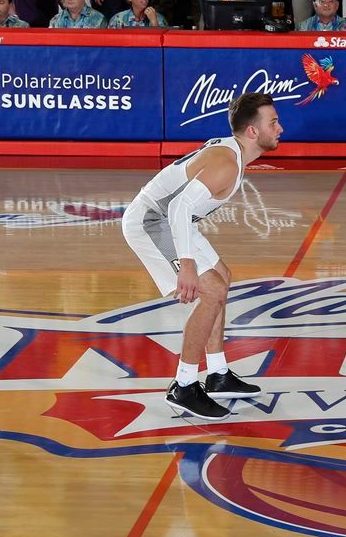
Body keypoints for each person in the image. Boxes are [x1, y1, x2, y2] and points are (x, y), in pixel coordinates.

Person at [121, 93, 283, 421]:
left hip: (174, 219)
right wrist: (188, 265)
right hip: (152, 221)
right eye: (273, 122)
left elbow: (183, 209)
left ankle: (218, 374)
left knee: (223, 278)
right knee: (212, 291)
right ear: (253, 132)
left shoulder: (233, 152)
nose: (281, 128)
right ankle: (184, 385)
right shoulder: (226, 162)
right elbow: (178, 207)